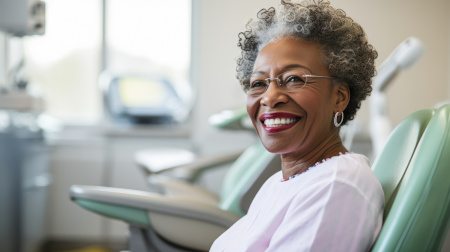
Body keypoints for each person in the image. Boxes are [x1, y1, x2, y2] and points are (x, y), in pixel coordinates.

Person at [210, 0, 384, 251]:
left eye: (293, 79)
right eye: (258, 83)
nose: (269, 97)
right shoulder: (279, 183)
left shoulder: (335, 187)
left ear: (339, 97)